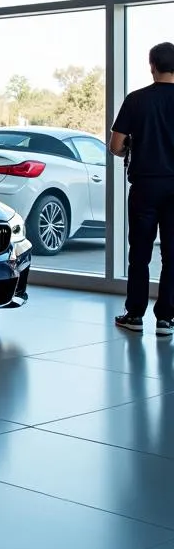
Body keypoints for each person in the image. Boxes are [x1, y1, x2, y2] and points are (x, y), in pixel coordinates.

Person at [110, 42, 174, 335]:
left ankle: (134, 315)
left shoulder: (136, 99)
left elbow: (116, 146)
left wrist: (130, 150)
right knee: (172, 255)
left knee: (139, 253)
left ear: (152, 66)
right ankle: (166, 319)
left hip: (145, 185)